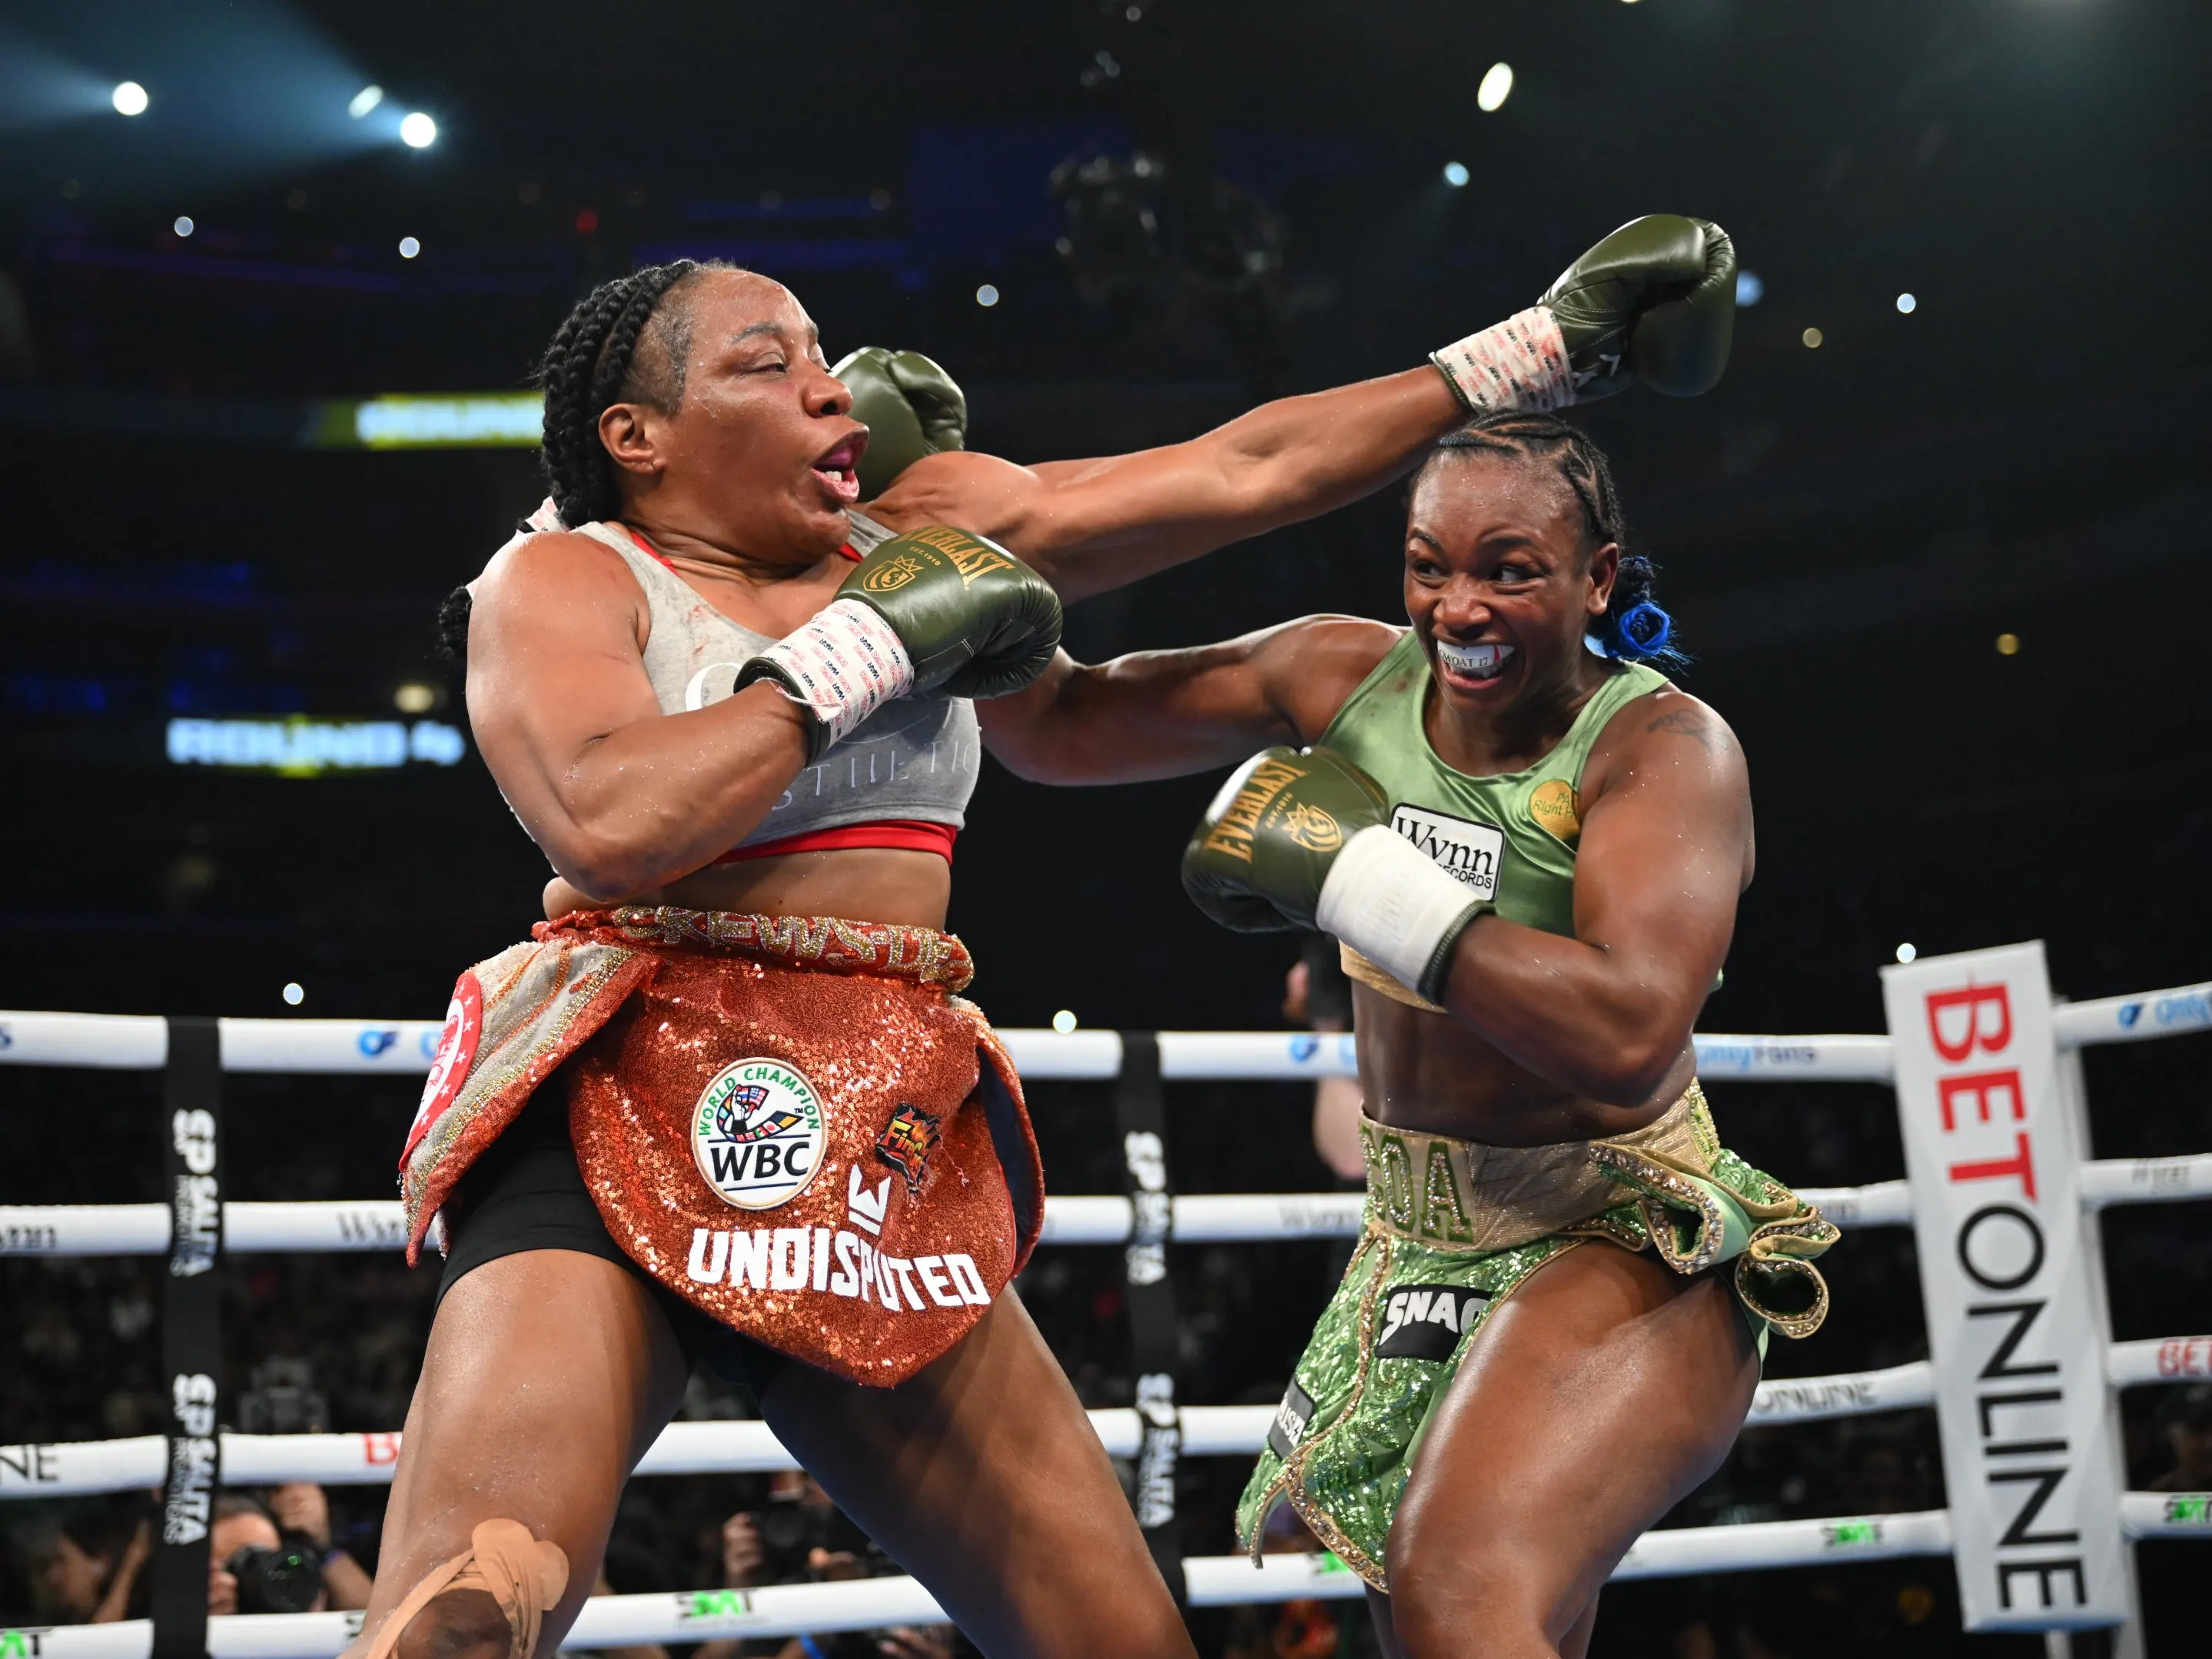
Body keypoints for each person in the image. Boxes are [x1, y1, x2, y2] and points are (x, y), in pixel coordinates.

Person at [359, 216, 1736, 1659]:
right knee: (471, 1608)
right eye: (771, 365)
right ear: (636, 434)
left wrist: (1534, 350)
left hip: (869, 1122)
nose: (831, 388)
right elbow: (606, 817)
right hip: (621, 1091)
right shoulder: (567, 580)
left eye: (826, 356)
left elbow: (1241, 468)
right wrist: (860, 650)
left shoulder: (916, 529)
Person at [978, 411, 1837, 1657]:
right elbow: (1057, 732)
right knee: (1443, 1613)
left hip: (1615, 1220)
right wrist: (954, 589)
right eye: (1429, 564)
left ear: (1596, 576)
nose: (1459, 607)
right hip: (1415, 1235)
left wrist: (1361, 879)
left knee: (1458, 1585)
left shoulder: (1665, 749)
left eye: (1509, 568)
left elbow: (1628, 1030)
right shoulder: (1343, 676)